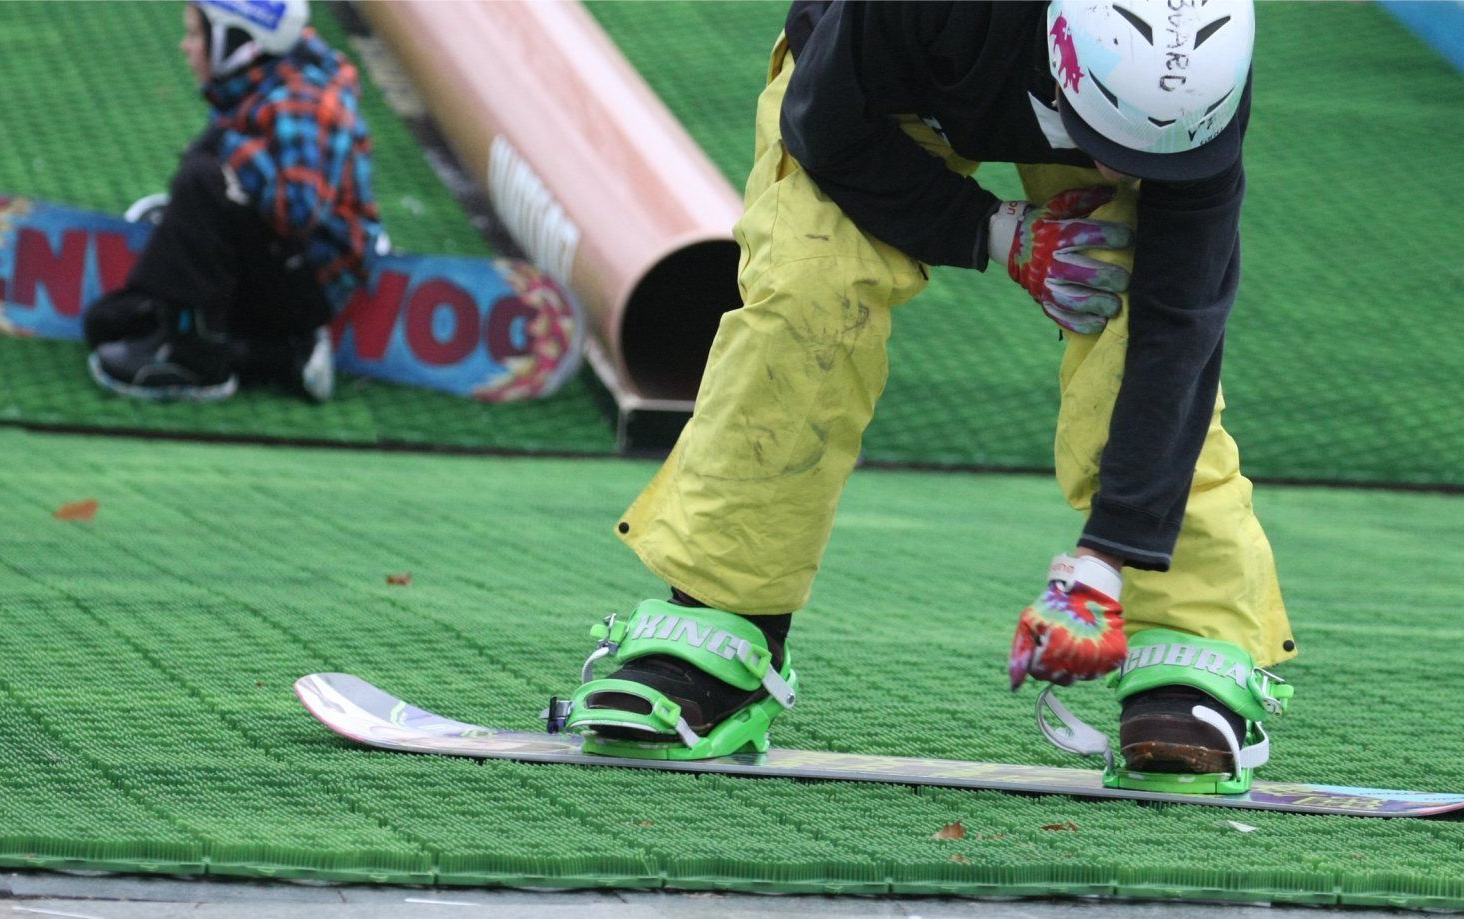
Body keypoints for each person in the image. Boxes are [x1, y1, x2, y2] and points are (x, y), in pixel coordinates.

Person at [558, 0, 1296, 785]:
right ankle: (720, 616)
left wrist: (1104, 563)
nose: (1122, 173)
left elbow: (1175, 327)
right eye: (1114, 148)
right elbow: (826, 127)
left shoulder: (1199, 75)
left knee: (1128, 318)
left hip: (1105, 91)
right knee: (812, 291)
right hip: (877, 90)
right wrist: (997, 232)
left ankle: (1189, 642)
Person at [86, 0, 382, 403]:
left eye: (195, 34)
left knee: (203, 180)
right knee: (107, 323)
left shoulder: (302, 99)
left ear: (237, 41)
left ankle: (195, 364)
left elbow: (299, 211)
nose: (185, 46)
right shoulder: (260, 77)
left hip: (310, 281)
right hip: (282, 266)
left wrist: (228, 147)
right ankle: (285, 357)